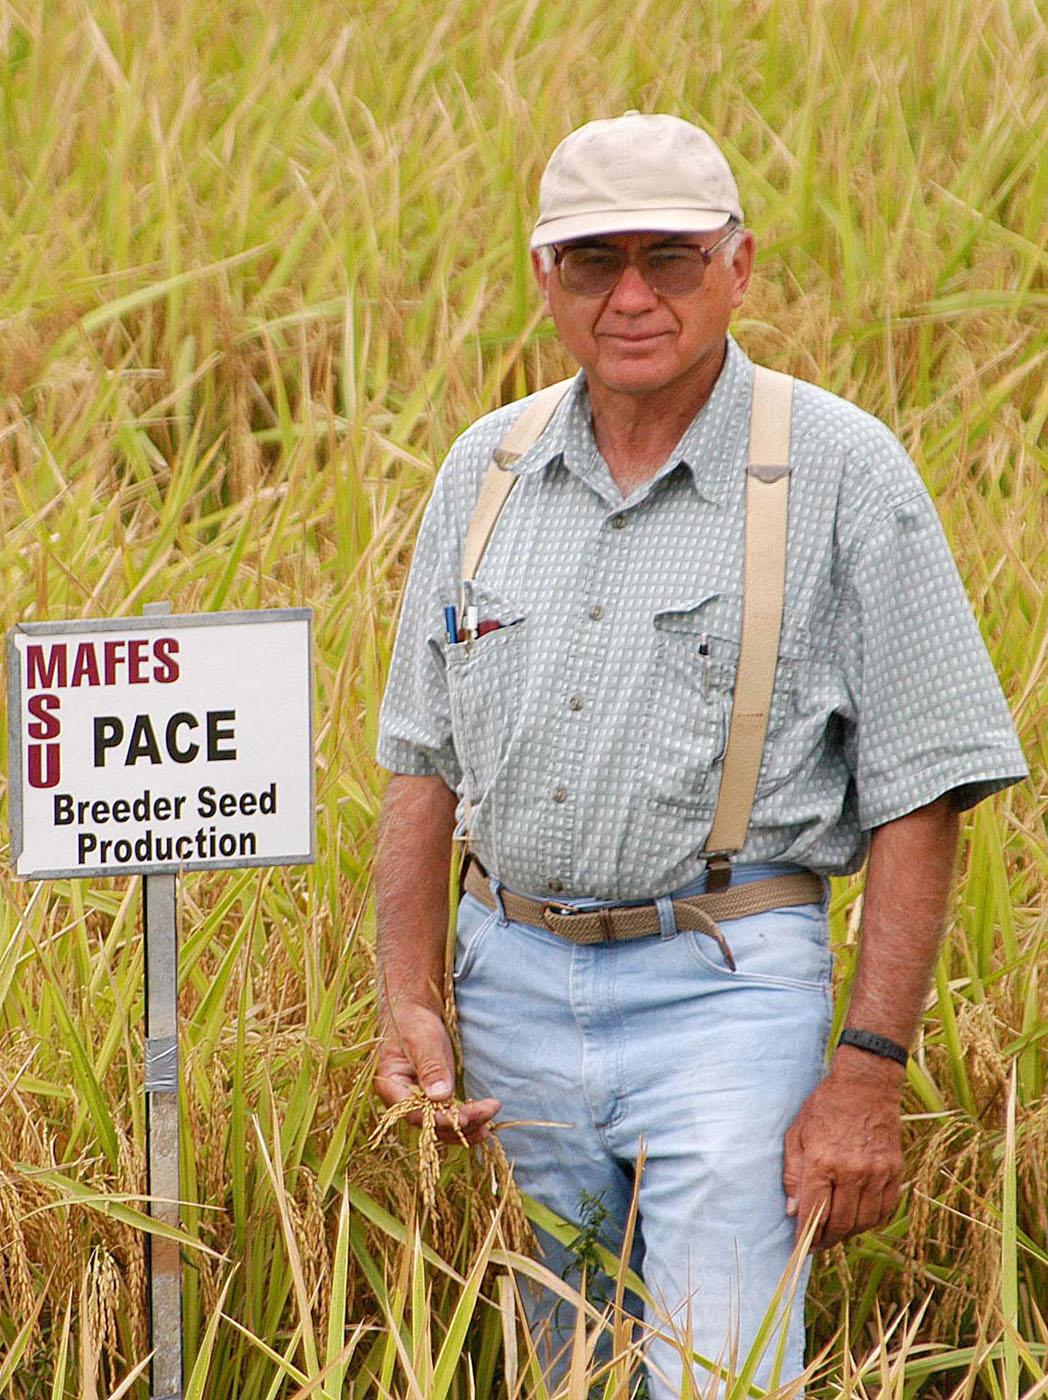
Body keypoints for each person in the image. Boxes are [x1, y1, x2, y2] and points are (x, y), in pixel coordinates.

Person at [372, 112, 1027, 1392]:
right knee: (563, 1365)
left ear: (737, 266)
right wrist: (410, 995)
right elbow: (420, 763)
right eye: (591, 261)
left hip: (727, 989)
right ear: (542, 278)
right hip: (508, 990)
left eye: (667, 259)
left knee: (719, 1371)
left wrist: (867, 1072)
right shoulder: (484, 469)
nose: (629, 296)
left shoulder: (840, 468)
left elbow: (924, 789)